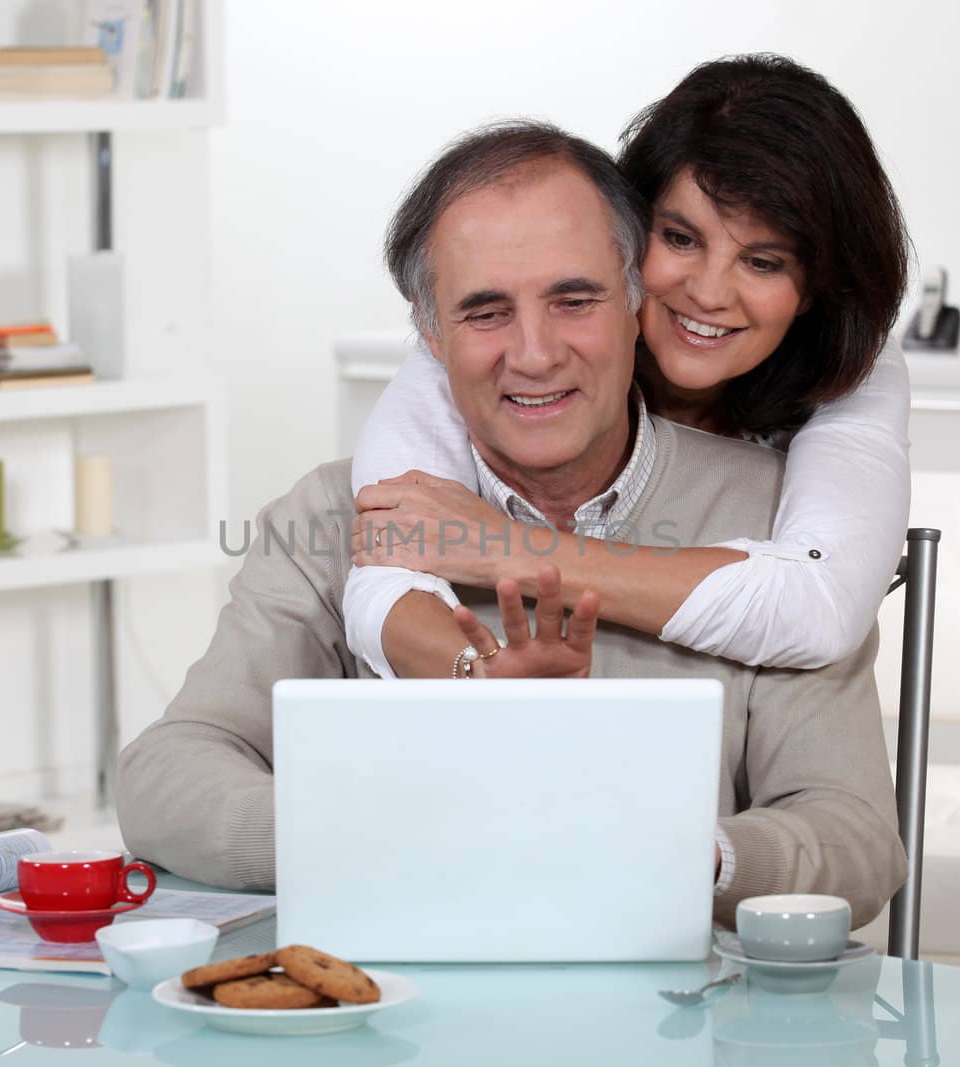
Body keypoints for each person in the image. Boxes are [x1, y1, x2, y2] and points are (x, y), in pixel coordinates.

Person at [116, 121, 906, 927]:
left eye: (574, 300)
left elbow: (857, 836)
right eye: (486, 312)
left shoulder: (773, 525)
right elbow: (164, 774)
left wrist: (684, 851)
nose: (533, 354)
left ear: (638, 300)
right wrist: (378, 833)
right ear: (431, 336)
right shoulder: (329, 517)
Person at [345, 54, 911, 680]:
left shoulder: (857, 366)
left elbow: (820, 608)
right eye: (680, 238)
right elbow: (393, 555)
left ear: (815, 289)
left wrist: (507, 550)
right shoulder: (499, 339)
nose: (709, 293)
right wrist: (481, 677)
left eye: (763, 262)